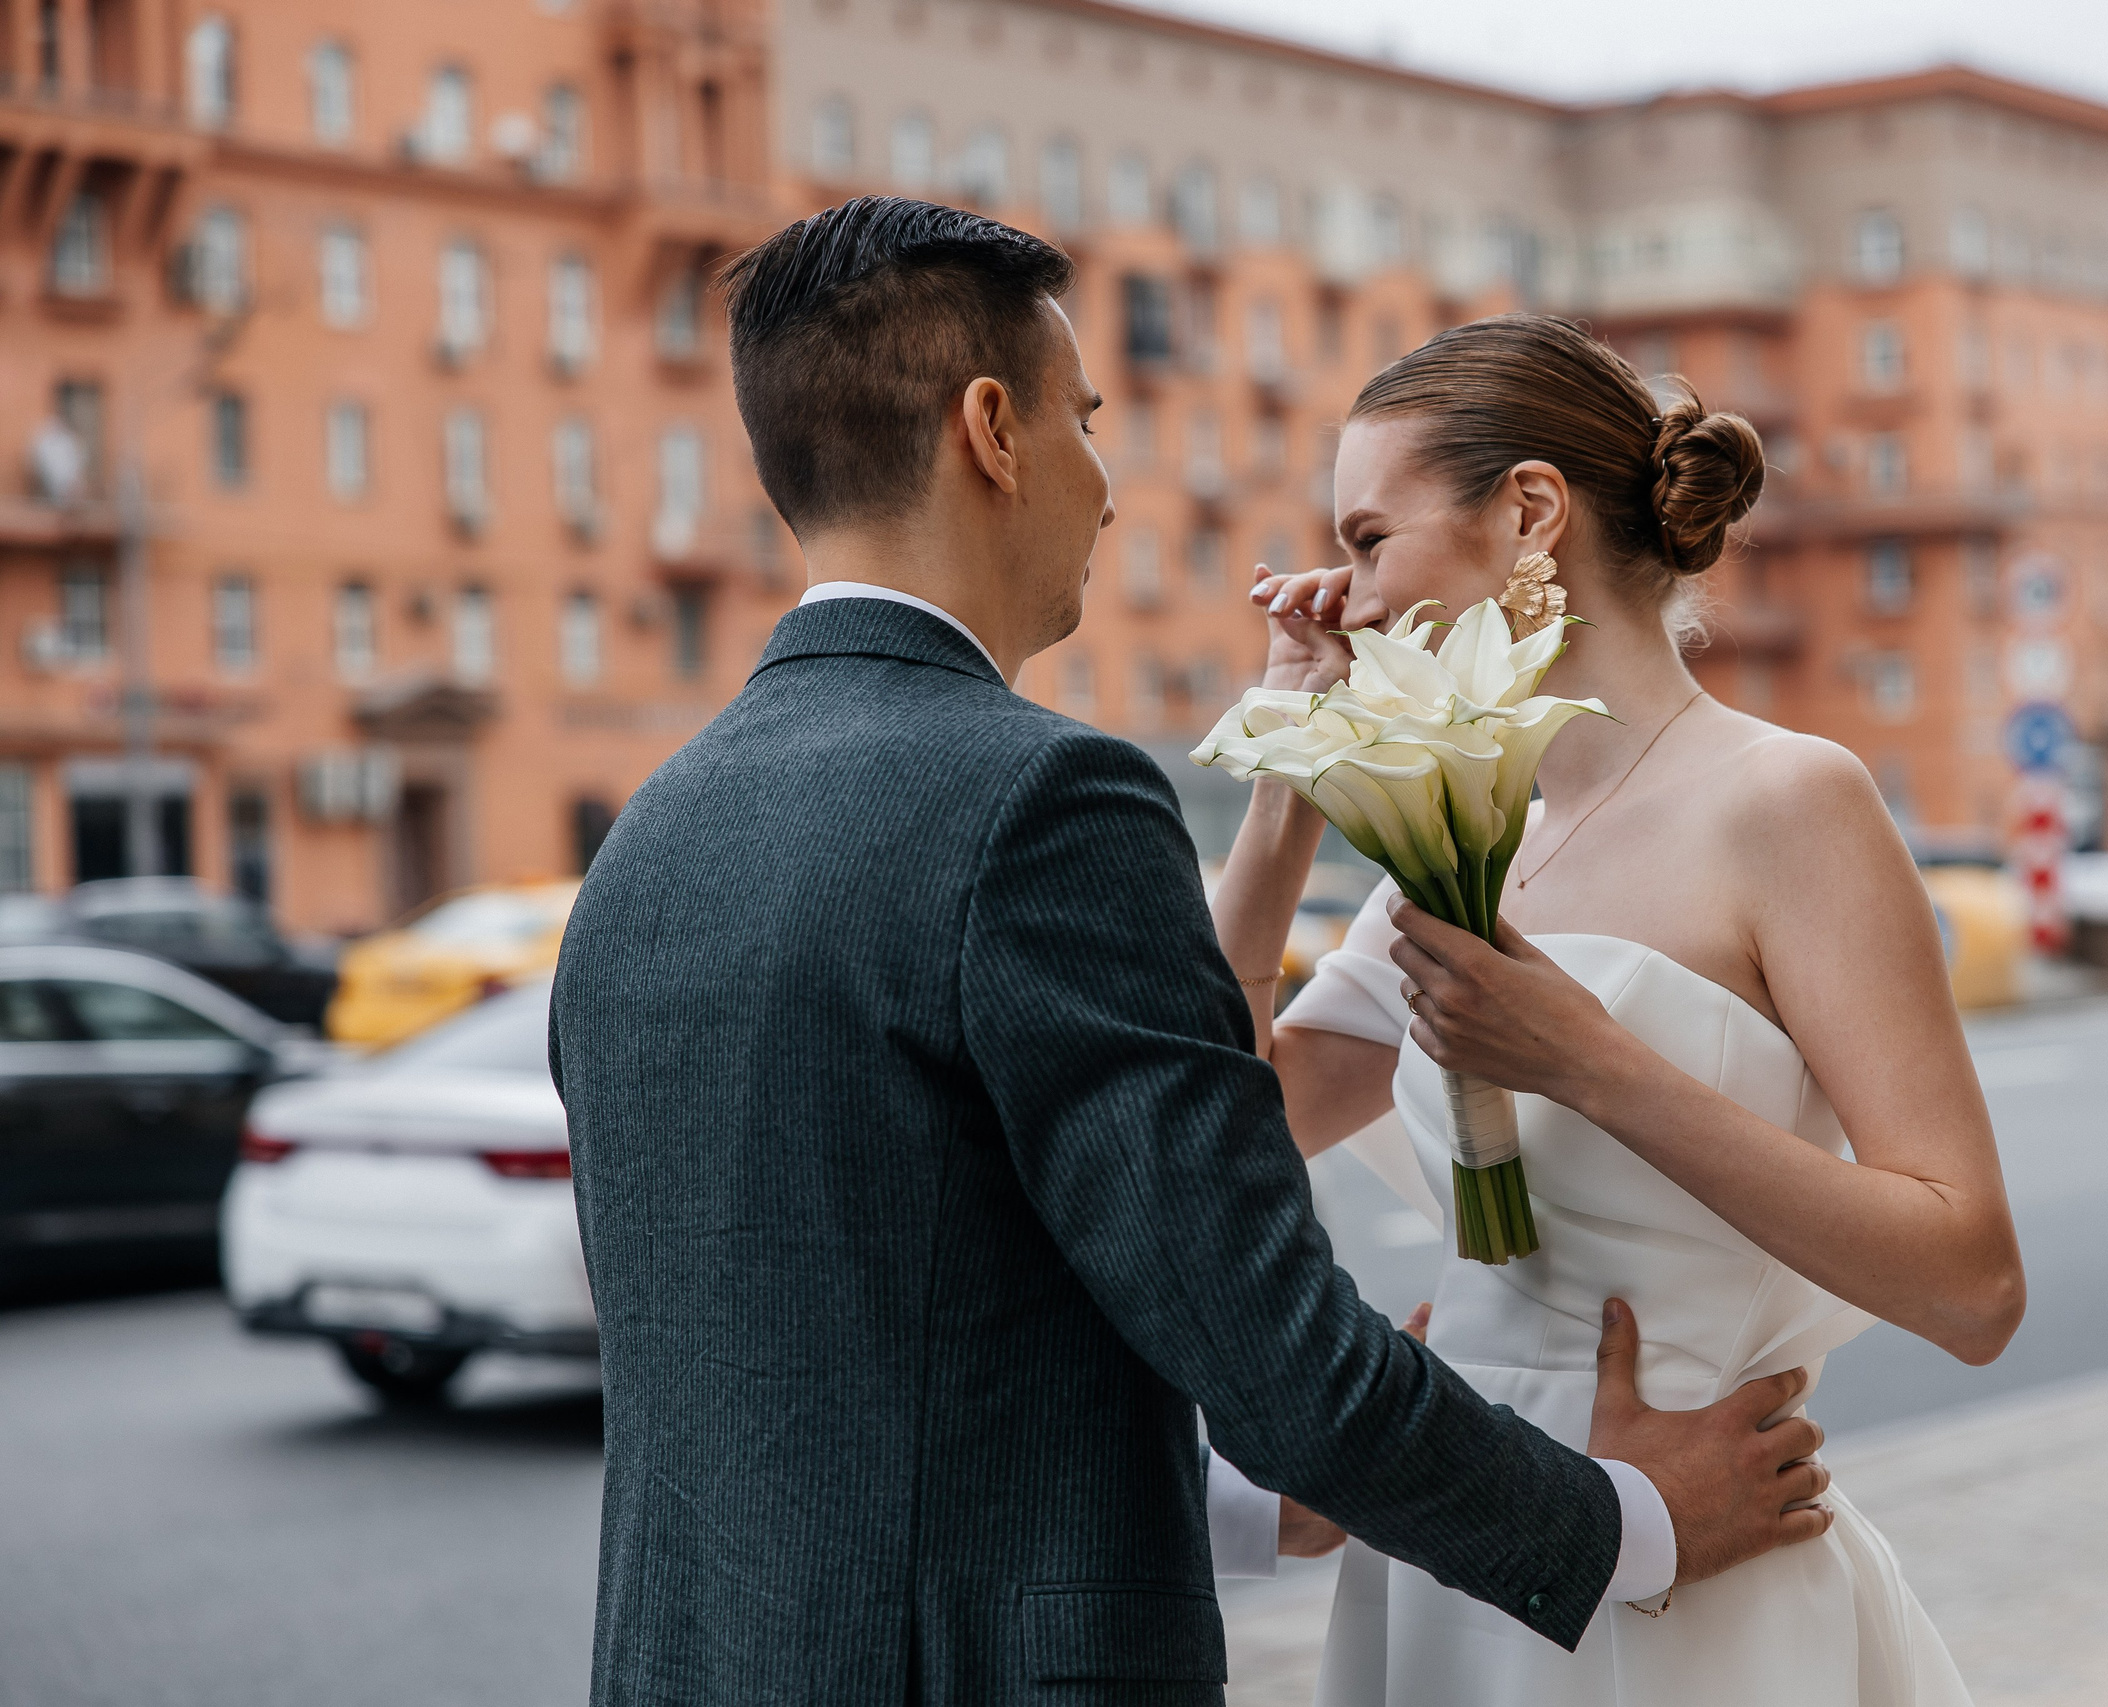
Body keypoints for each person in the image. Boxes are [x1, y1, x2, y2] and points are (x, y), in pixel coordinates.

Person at [550, 198, 1842, 1707]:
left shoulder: (650, 835)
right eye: (1085, 420)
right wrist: (1632, 1522)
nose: (1107, 487)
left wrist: (1243, 1502)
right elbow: (1277, 1357)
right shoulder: (1039, 800)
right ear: (992, 430)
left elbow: (848, 1338)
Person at [1211, 315, 2027, 1706]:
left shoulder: (1789, 800)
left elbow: (1971, 1284)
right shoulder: (1462, 827)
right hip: (1464, 1537)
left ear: (1529, 511)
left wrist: (1592, 1064)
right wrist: (1290, 773)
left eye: (1365, 540)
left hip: (1695, 1564)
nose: (1338, 600)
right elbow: (1228, 1120)